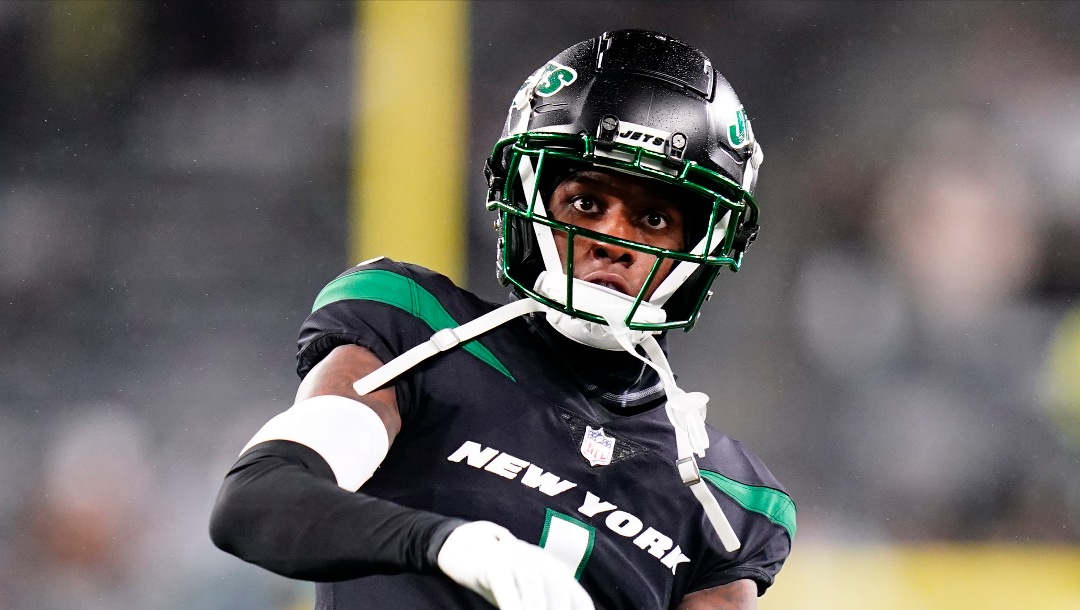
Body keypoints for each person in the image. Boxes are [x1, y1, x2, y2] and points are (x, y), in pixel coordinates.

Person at [210, 29, 794, 610]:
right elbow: (260, 499)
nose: (615, 239)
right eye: (588, 204)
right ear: (528, 198)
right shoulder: (416, 328)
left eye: (654, 219)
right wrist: (447, 545)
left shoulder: (728, 491)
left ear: (705, 244)